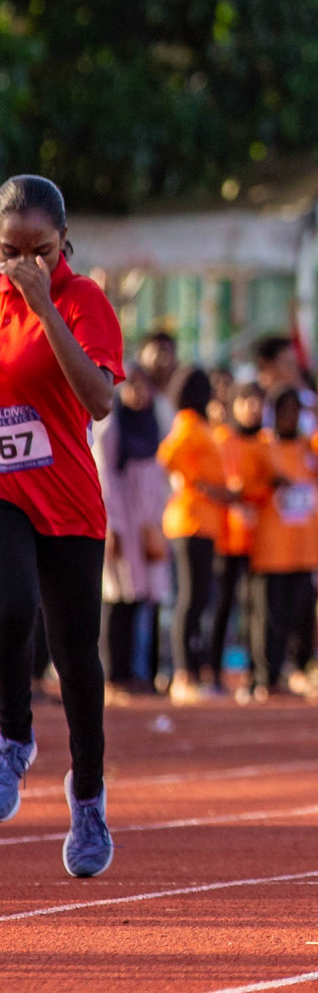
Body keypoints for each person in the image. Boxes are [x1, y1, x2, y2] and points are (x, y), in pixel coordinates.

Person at [0, 174, 123, 877]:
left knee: (77, 661)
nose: (23, 266)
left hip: (69, 502)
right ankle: (13, 736)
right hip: (5, 496)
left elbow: (100, 399)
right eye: (9, 252)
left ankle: (89, 799)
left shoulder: (84, 300)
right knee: (8, 606)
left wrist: (46, 307)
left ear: (64, 241)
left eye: (39, 251)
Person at [242, 389, 318, 702]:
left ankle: (296, 670)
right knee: (269, 617)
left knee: (300, 614)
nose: (290, 417)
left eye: (296, 411)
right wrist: (270, 485)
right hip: (272, 549)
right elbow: (246, 487)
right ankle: (264, 676)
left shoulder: (308, 447)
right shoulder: (262, 446)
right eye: (284, 410)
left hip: (305, 548)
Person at [158, 368, 235, 706]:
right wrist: (197, 483)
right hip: (190, 519)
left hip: (204, 521)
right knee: (189, 599)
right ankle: (183, 674)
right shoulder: (188, 422)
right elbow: (168, 456)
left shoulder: (202, 424)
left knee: (199, 599)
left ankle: (191, 671)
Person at [95, 364, 171, 700]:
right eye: (132, 386)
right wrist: (113, 528)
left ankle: (146, 675)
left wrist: (157, 523)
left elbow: (161, 477)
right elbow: (105, 481)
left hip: (149, 523)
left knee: (149, 596)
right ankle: (115, 676)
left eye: (144, 386)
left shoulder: (155, 424)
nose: (139, 393)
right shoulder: (112, 427)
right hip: (122, 523)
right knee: (119, 598)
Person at [209, 382, 267, 696]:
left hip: (259, 540)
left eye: (258, 401)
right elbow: (216, 482)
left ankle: (256, 673)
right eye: (247, 400)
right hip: (226, 538)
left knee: (255, 608)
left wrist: (252, 495)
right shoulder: (222, 439)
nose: (253, 407)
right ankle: (213, 672)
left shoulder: (267, 441)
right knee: (221, 606)